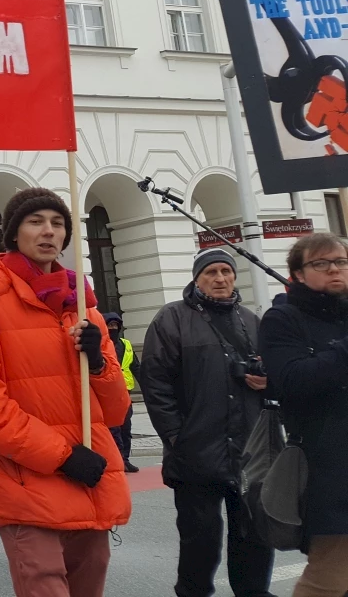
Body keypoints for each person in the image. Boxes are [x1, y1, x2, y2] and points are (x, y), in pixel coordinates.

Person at [0, 187, 131, 597]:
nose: (49, 231)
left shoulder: (84, 307)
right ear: (13, 233)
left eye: (58, 223)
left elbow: (115, 411)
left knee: (90, 579)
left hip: (87, 476)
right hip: (24, 478)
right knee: (44, 585)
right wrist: (62, 457)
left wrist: (99, 365)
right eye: (36, 222)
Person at [140, 248, 275, 597]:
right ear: (197, 278)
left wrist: (267, 379)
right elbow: (156, 383)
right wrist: (175, 436)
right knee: (201, 542)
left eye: (225, 272)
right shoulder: (171, 319)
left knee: (253, 538)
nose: (220, 279)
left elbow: (274, 378)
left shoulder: (250, 321)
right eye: (211, 272)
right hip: (195, 452)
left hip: (248, 450)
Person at [259, 234, 348, 597]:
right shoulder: (283, 318)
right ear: (297, 273)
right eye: (321, 263)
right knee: (328, 577)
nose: (334, 269)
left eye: (340, 261)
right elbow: (290, 380)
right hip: (328, 465)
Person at [103, 313, 139, 473]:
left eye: (115, 326)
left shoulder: (126, 345)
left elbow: (136, 367)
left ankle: (125, 459)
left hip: (126, 393)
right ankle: (117, 460)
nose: (113, 329)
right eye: (109, 326)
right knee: (113, 429)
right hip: (108, 394)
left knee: (126, 427)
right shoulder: (101, 345)